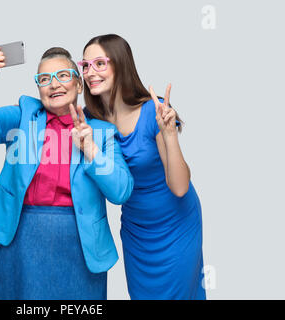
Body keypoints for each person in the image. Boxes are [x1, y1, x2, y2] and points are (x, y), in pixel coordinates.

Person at [0, 45, 134, 300]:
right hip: (21, 243)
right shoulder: (23, 115)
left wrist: (90, 149)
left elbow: (121, 191)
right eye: (44, 79)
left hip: (81, 244)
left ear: (79, 85)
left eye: (63, 76)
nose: (54, 85)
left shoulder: (102, 132)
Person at [79, 34, 206, 300]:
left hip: (176, 226)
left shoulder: (153, 112)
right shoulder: (90, 120)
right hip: (137, 231)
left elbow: (180, 187)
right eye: (86, 65)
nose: (90, 72)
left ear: (121, 65)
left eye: (100, 63)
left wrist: (169, 134)